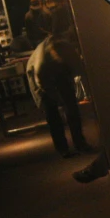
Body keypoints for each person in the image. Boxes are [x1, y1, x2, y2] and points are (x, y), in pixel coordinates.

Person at [26, 29, 96, 158]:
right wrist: (57, 99)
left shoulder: (68, 52)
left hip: (61, 74)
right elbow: (42, 85)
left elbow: (82, 72)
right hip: (39, 80)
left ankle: (80, 143)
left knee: (72, 109)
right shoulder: (42, 63)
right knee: (52, 115)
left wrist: (90, 94)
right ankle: (62, 149)